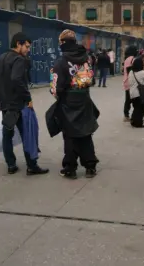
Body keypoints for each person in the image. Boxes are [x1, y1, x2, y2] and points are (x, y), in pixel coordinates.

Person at [0, 32, 49, 175]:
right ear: (18, 44)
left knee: (7, 135)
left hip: (6, 105)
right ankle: (32, 166)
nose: (28, 50)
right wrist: (28, 98)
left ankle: (11, 165)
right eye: (27, 46)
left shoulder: (0, 59)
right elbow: (17, 79)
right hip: (19, 105)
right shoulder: (19, 59)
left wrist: (2, 101)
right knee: (27, 134)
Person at [51, 30, 99, 179]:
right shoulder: (86, 58)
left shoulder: (61, 62)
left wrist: (56, 93)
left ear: (63, 43)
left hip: (68, 103)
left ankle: (70, 168)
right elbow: (92, 78)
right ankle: (90, 167)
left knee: (70, 136)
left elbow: (56, 88)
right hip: (84, 100)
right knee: (85, 133)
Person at [128, 57, 144, 128]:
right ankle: (138, 123)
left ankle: (133, 121)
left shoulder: (131, 72)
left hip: (132, 93)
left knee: (136, 108)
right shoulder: (142, 73)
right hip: (139, 94)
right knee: (141, 109)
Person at [123, 46, 138, 122]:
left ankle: (126, 115)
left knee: (127, 99)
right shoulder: (133, 59)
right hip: (132, 82)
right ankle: (134, 116)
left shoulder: (126, 59)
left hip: (126, 81)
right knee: (135, 99)